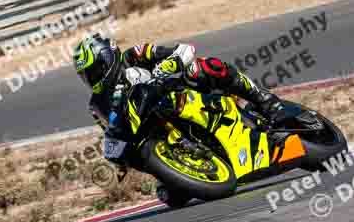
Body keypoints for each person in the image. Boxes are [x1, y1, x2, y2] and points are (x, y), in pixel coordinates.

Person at [72, 34, 287, 155]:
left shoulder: (134, 55)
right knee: (172, 196)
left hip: (181, 96)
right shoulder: (97, 104)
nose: (92, 78)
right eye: (86, 76)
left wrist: (165, 67)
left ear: (108, 58)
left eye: (95, 71)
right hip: (158, 135)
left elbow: (184, 50)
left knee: (200, 68)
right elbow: (113, 137)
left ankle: (264, 100)